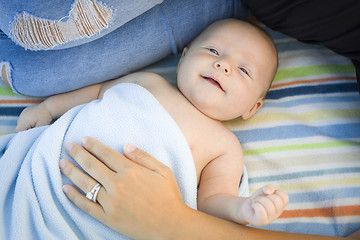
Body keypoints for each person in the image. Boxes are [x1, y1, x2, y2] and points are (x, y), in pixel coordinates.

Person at [16, 18, 288, 228]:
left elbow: (210, 203)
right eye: (213, 50)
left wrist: (243, 209)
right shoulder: (148, 81)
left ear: (252, 107)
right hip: (52, 170)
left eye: (243, 70)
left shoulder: (225, 147)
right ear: (184, 58)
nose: (223, 64)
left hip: (108, 215)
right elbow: (98, 91)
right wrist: (49, 108)